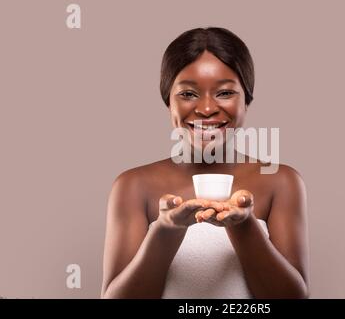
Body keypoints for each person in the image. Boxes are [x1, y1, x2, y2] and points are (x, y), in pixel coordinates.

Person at [100, 27, 309, 299]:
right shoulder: (133, 185)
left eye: (224, 93)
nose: (207, 109)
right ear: (168, 101)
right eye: (188, 94)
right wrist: (165, 231)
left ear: (247, 99)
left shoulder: (281, 181)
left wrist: (244, 227)